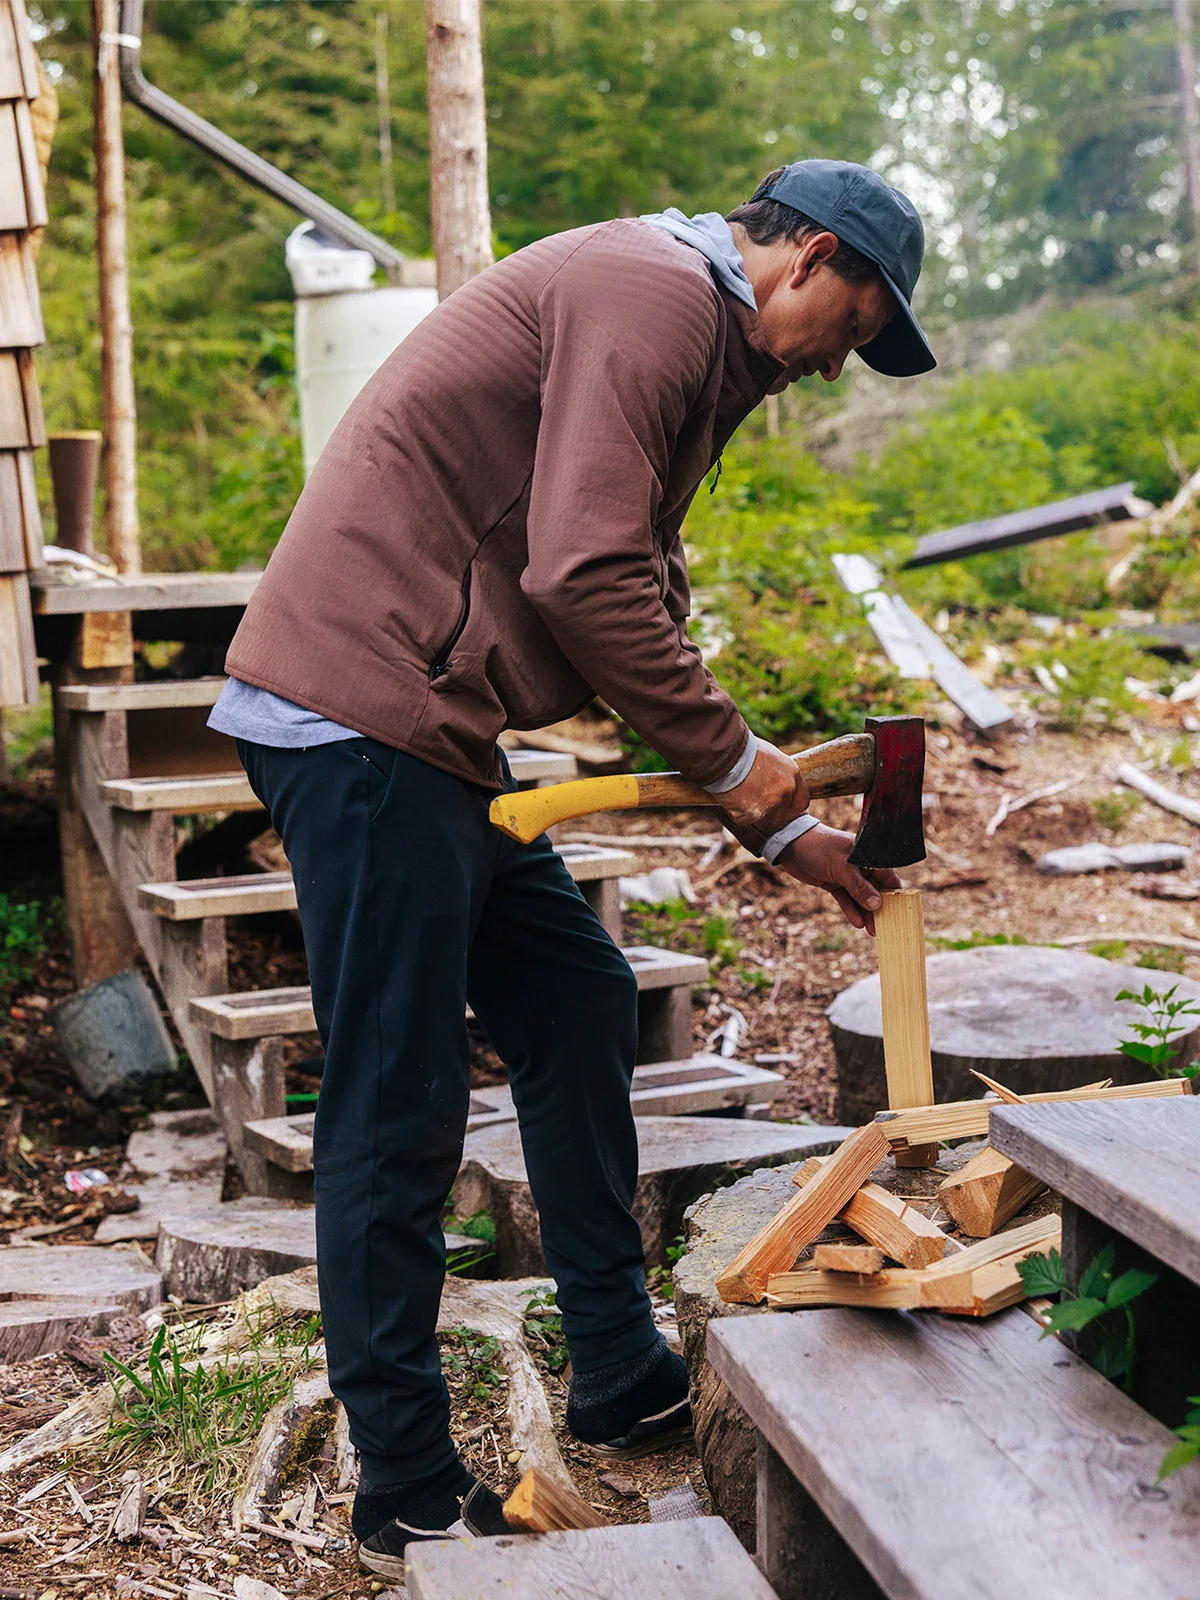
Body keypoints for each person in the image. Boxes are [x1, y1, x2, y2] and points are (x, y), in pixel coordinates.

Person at [208, 158, 935, 1578]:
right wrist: (736, 760)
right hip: (362, 718)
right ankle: (405, 1490)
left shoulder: (696, 337)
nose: (838, 364)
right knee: (398, 1100)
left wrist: (784, 826)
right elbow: (581, 574)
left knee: (577, 993)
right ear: (807, 256)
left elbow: (636, 573)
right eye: (853, 325)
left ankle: (615, 1366)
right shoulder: (647, 294)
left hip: (429, 727)